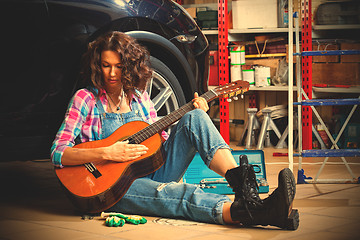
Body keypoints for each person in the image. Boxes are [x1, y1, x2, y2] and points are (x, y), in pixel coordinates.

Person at [51, 31, 299, 230]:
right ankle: (259, 212)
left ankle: (246, 191)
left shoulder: (139, 98)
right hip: (112, 188)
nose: (112, 73)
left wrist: (197, 112)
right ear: (98, 66)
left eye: (119, 66)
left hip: (148, 168)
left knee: (194, 116)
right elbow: (58, 153)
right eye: (106, 66)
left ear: (129, 66)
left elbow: (162, 143)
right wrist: (107, 152)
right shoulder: (85, 99)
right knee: (178, 194)